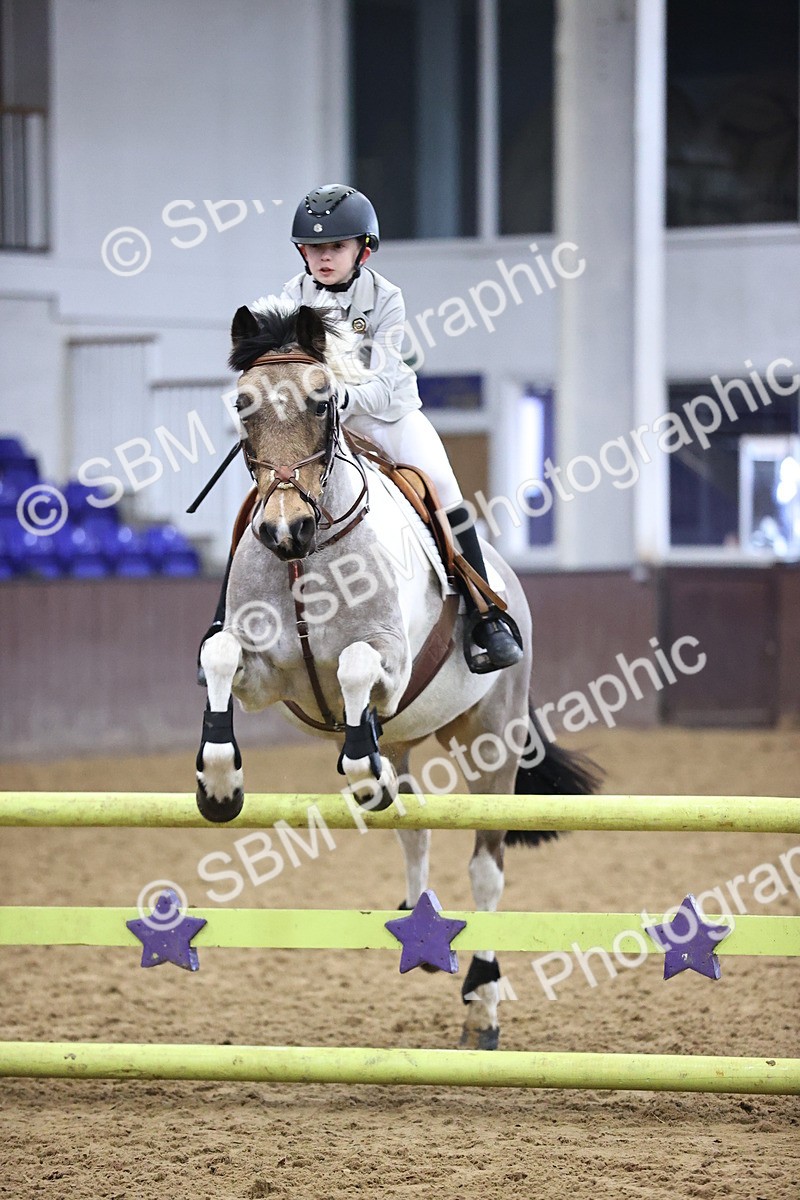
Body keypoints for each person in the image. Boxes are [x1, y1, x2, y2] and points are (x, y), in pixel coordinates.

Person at [199, 184, 522, 675]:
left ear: (362, 250)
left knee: (444, 487)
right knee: (262, 498)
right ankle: (224, 620)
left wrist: (343, 399)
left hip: (386, 414)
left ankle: (486, 614)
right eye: (314, 248)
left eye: (336, 247)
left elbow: (388, 381)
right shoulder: (290, 298)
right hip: (316, 421)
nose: (323, 258)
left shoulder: (387, 298)